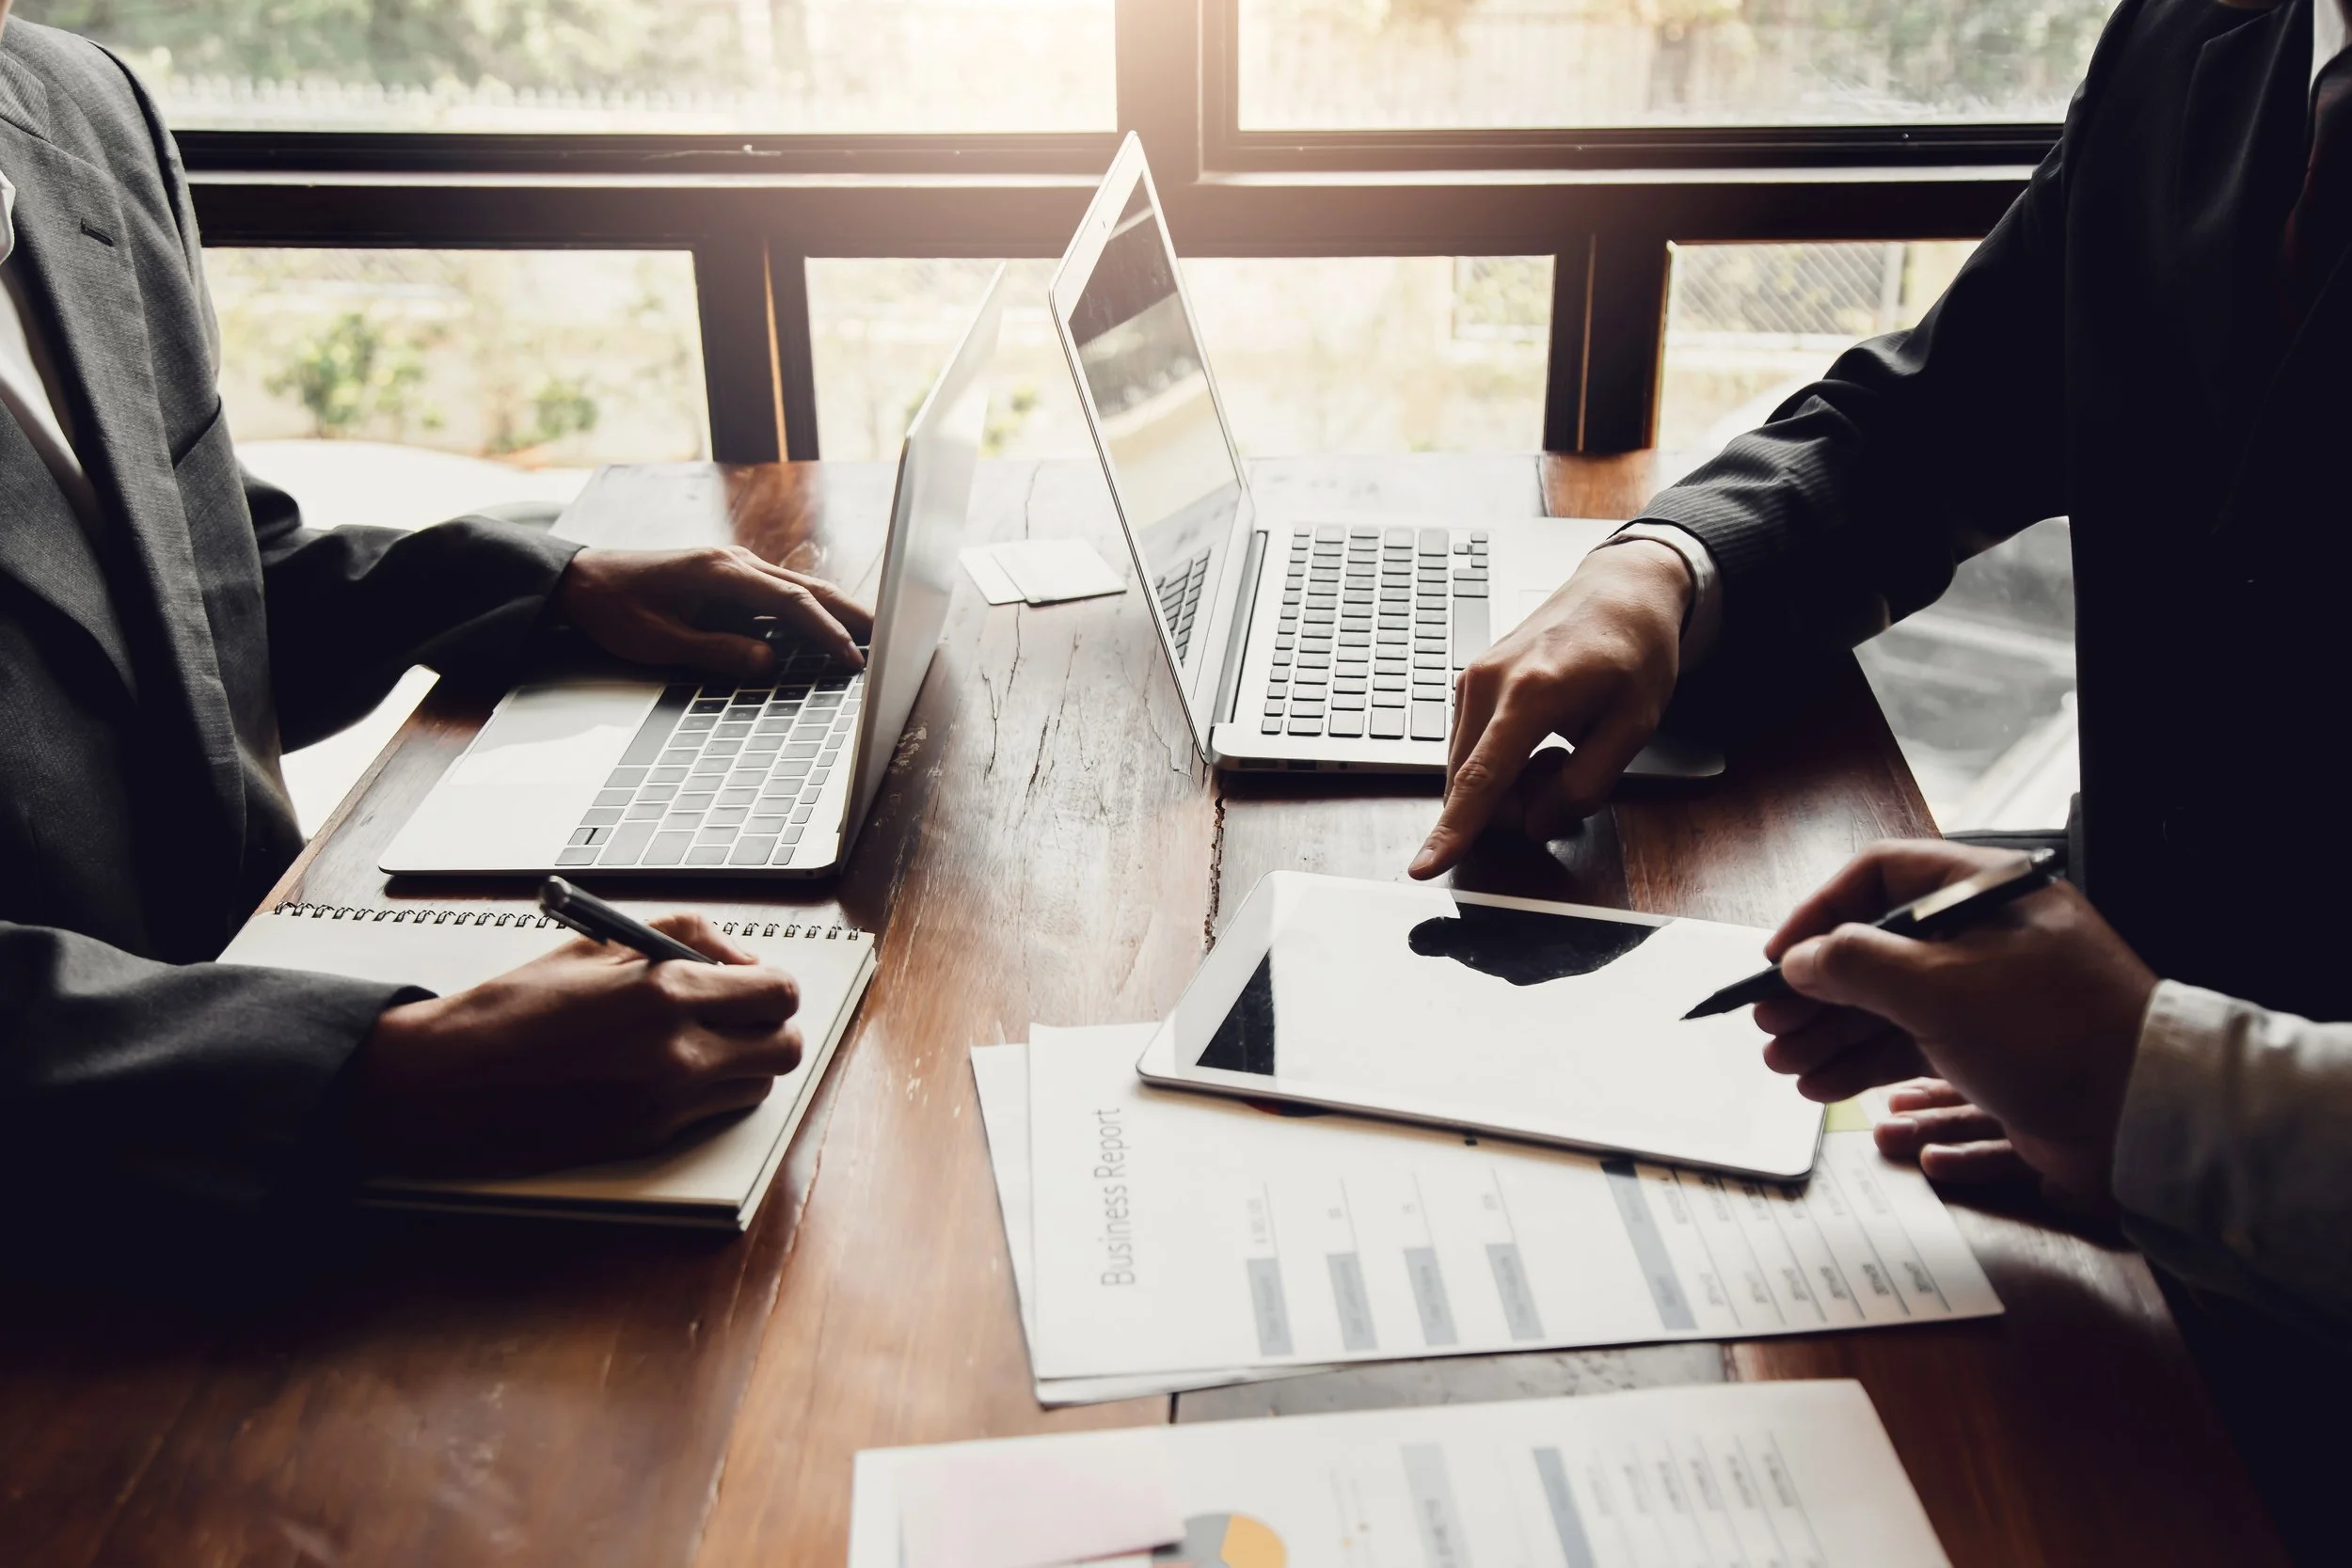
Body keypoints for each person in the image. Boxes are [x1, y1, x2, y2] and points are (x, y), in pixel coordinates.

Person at [1417, 0, 2352, 1338]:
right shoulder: (2202, 33)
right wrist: (1664, 568)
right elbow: (1940, 410)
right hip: (2072, 1156)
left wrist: (2172, 1090)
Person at [0, 8, 871, 1245]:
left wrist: (543, 584)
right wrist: (377, 1074)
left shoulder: (74, 105)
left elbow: (201, 596)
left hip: (295, 1016)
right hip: (86, 1238)